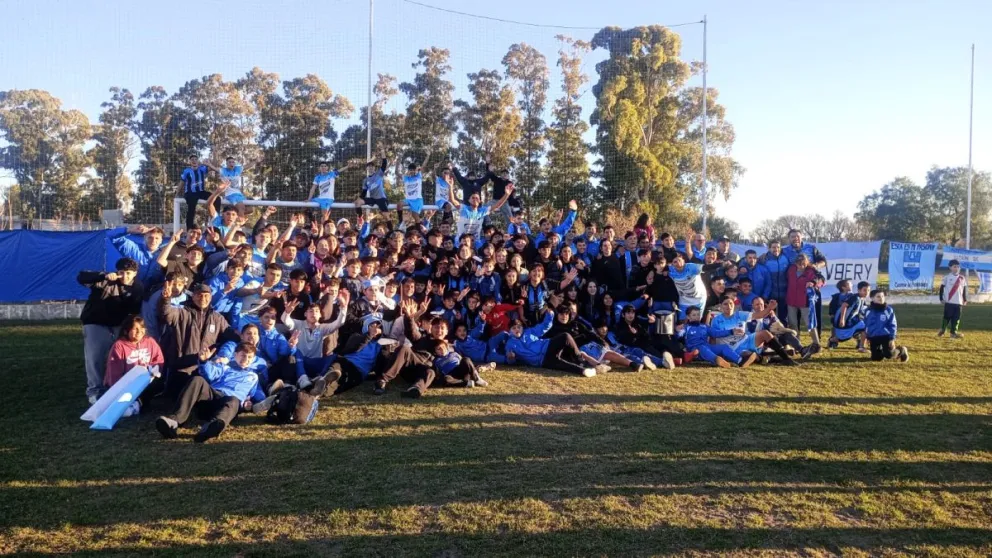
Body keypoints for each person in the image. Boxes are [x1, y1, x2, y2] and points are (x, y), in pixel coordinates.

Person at [154, 342, 261, 443]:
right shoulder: (225, 368)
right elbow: (210, 374)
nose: (246, 359)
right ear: (235, 355)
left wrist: (249, 404)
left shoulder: (254, 377)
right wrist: (204, 362)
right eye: (243, 355)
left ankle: (211, 427)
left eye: (249, 357)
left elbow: (252, 395)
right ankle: (174, 421)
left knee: (234, 400)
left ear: (253, 359)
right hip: (212, 397)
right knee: (197, 380)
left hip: (228, 405)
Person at [78, 258, 144, 404]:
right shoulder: (106, 280)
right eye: (121, 272)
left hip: (119, 325)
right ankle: (95, 391)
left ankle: (115, 387)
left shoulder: (138, 287)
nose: (125, 276)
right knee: (95, 357)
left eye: (128, 273)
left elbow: (134, 310)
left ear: (135, 273)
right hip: (95, 322)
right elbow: (81, 277)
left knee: (119, 357)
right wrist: (103, 275)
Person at [157, 280, 238, 397]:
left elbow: (232, 337)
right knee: (173, 398)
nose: (203, 298)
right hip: (181, 368)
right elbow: (166, 314)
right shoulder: (181, 312)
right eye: (199, 295)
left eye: (206, 296)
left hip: (203, 369)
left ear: (211, 297)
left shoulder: (218, 318)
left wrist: (224, 354)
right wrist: (165, 299)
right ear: (193, 297)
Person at [505, 310, 598, 377]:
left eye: (519, 327)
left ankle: (580, 359)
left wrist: (549, 315)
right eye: (514, 328)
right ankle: (584, 371)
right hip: (542, 361)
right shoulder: (510, 343)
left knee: (565, 336)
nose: (517, 330)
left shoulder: (529, 331)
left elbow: (544, 326)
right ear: (510, 331)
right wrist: (511, 357)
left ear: (522, 327)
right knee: (564, 365)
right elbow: (511, 361)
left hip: (548, 347)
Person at [864, 290, 909, 363]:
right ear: (872, 298)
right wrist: (868, 337)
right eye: (878, 296)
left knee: (889, 355)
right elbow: (866, 325)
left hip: (886, 336)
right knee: (876, 358)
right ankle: (881, 352)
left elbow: (893, 325)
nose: (881, 298)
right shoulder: (868, 311)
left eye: (882, 296)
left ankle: (901, 350)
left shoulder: (888, 310)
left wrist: (892, 338)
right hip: (873, 337)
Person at [786, 253, 820, 348]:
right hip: (791, 300)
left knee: (810, 323)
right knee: (793, 324)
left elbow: (820, 280)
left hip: (805, 301)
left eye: (804, 263)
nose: (802, 266)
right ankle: (797, 344)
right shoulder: (791, 269)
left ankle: (816, 343)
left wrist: (813, 282)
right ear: (795, 263)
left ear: (807, 262)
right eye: (799, 263)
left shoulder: (811, 271)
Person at [178, 154, 218, 229]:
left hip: (201, 192)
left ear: (198, 161)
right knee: (191, 208)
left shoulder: (202, 169)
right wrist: (177, 193)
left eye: (195, 159)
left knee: (217, 198)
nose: (194, 161)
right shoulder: (187, 171)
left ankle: (216, 223)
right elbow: (182, 182)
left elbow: (213, 169)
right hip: (190, 193)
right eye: (192, 159)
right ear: (190, 162)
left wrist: (209, 163)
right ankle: (189, 229)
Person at [828, 280, 869, 351]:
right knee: (842, 338)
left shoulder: (861, 298)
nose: (867, 292)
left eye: (868, 290)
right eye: (864, 290)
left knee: (866, 327)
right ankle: (832, 340)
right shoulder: (854, 297)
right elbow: (844, 305)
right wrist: (842, 319)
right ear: (859, 290)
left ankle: (861, 346)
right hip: (846, 322)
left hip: (853, 321)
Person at [938, 259, 968, 338]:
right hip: (949, 302)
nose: (956, 268)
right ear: (950, 267)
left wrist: (965, 299)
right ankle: (942, 330)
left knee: (956, 318)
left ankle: (953, 333)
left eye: (958, 267)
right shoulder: (947, 277)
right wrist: (941, 298)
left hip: (959, 303)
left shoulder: (962, 278)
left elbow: (964, 290)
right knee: (947, 317)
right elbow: (941, 288)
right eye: (954, 267)